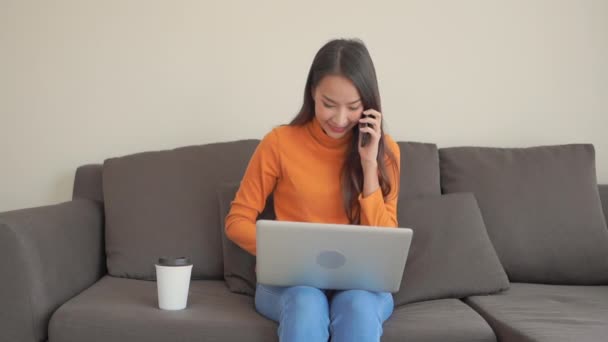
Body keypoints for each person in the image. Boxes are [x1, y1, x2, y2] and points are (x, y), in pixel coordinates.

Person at [225, 38, 400, 342]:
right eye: (329, 104)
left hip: (360, 287)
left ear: (369, 105)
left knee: (357, 305)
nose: (340, 119)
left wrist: (369, 165)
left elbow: (386, 242)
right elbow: (237, 221)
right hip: (291, 284)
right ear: (312, 94)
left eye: (353, 107)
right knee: (307, 303)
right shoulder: (279, 143)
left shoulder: (385, 153)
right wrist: (288, 255)